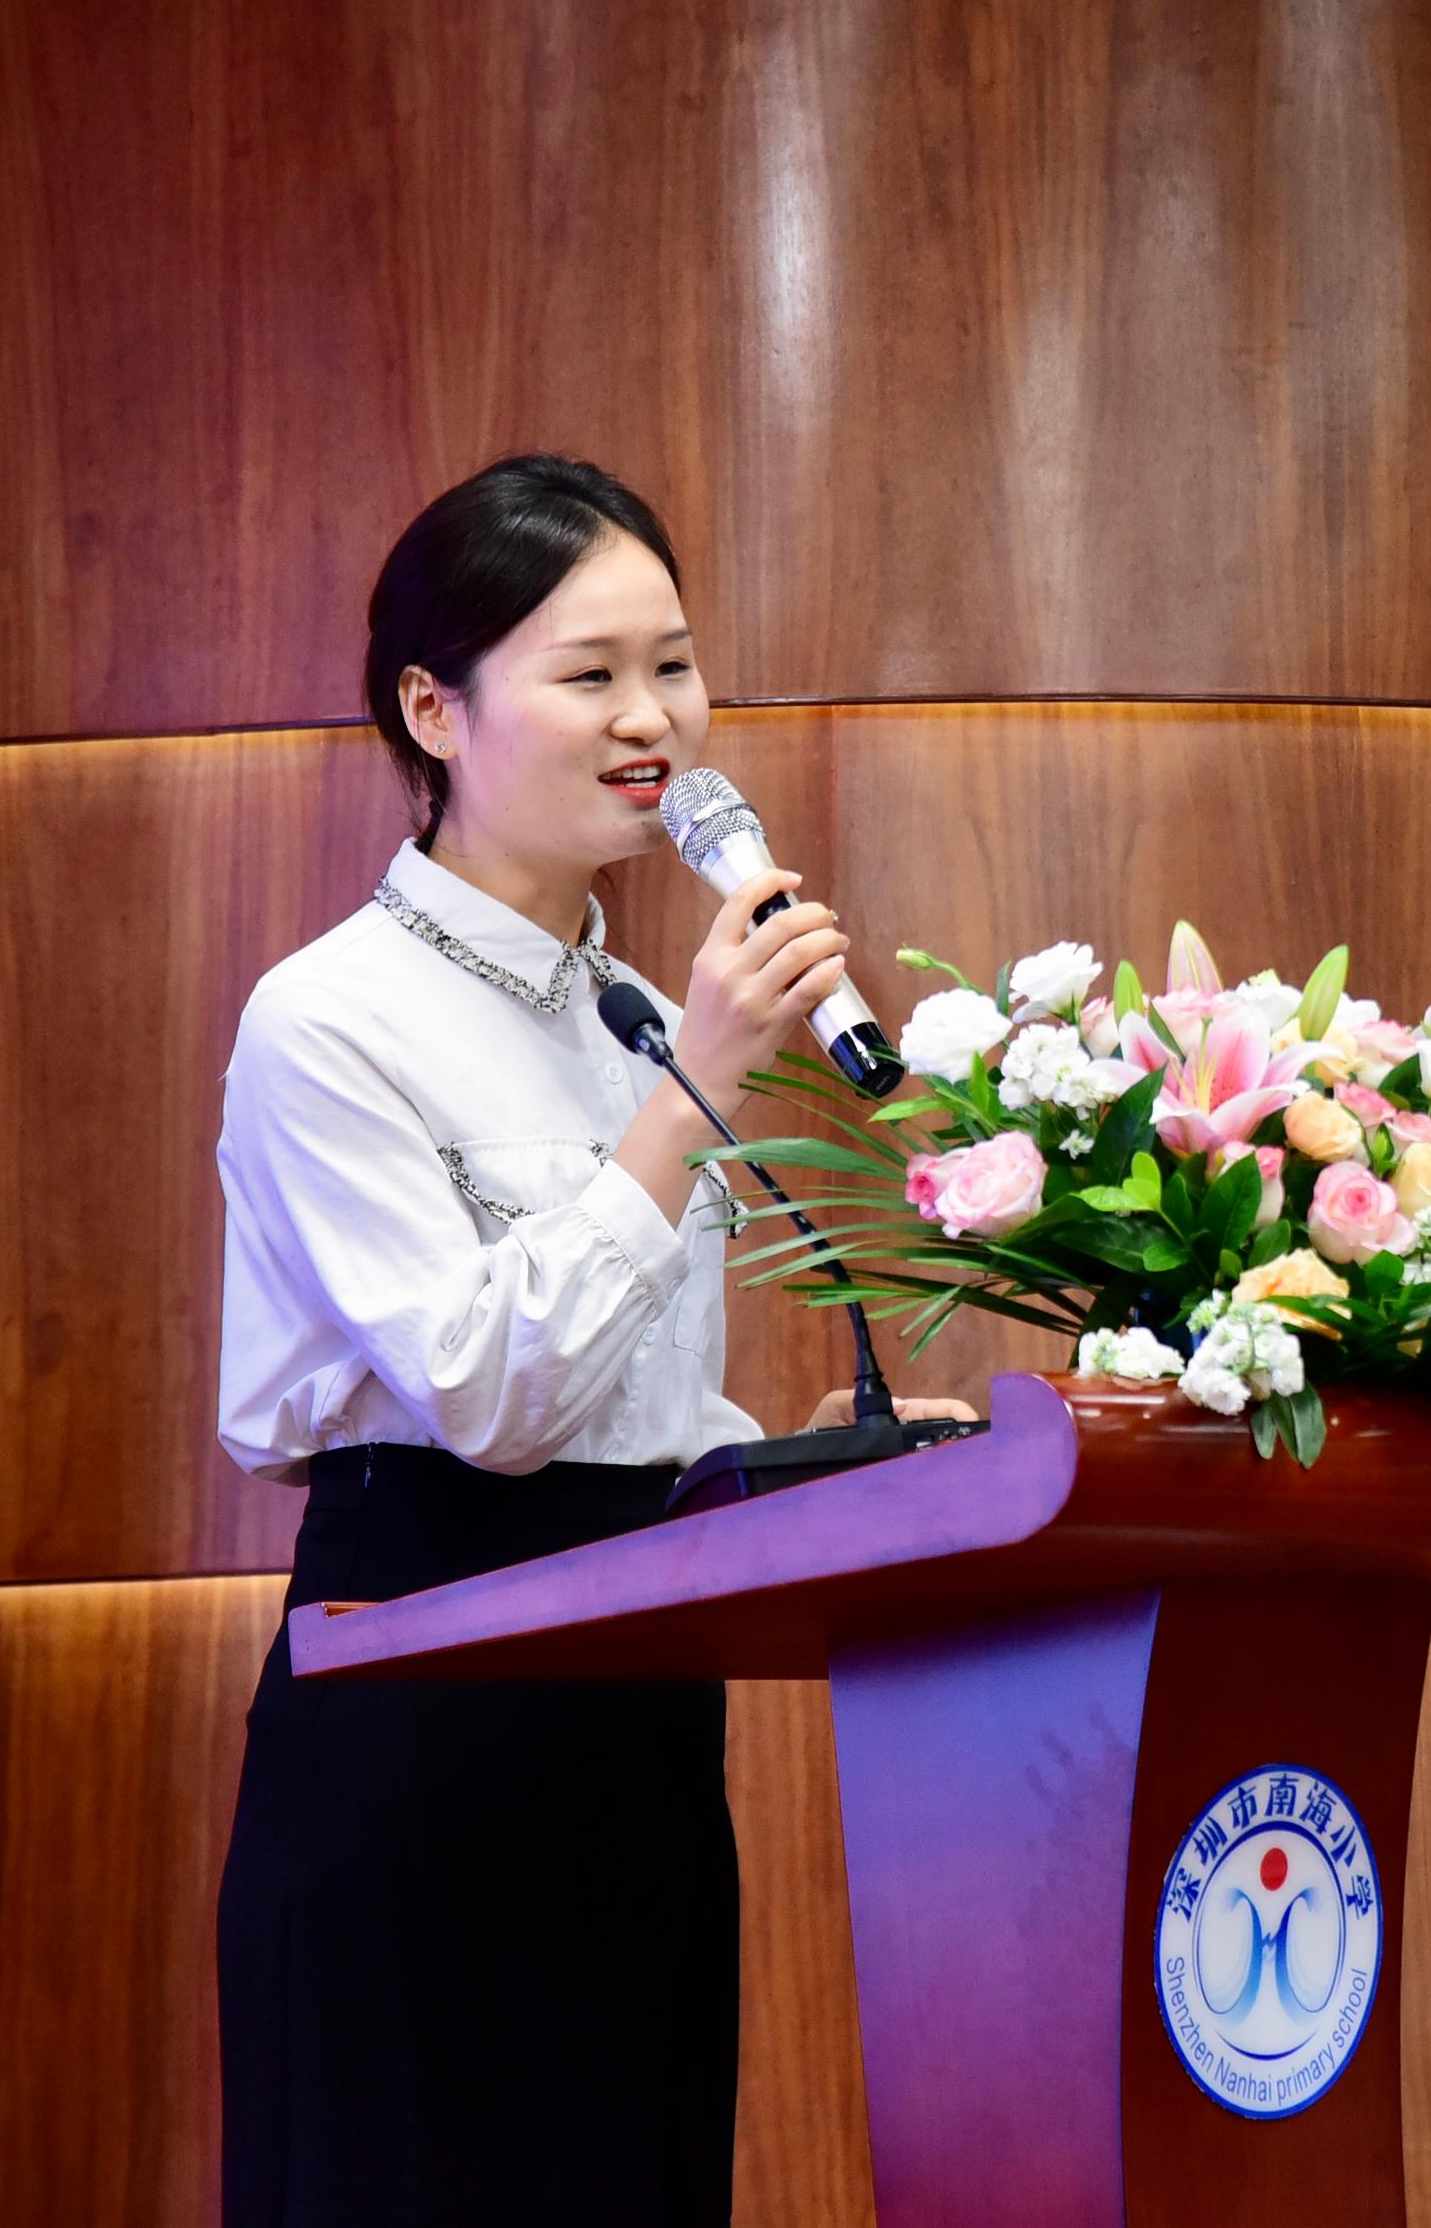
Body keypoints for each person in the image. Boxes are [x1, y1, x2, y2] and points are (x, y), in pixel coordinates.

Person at [210, 453, 961, 2225]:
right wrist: (698, 1090)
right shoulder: (326, 1019)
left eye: (674, 666)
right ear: (433, 708)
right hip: (419, 1698)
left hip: (636, 1719)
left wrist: (822, 1473)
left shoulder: (634, 1009)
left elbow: (637, 1413)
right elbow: (485, 1398)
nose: (654, 720)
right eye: (592, 672)